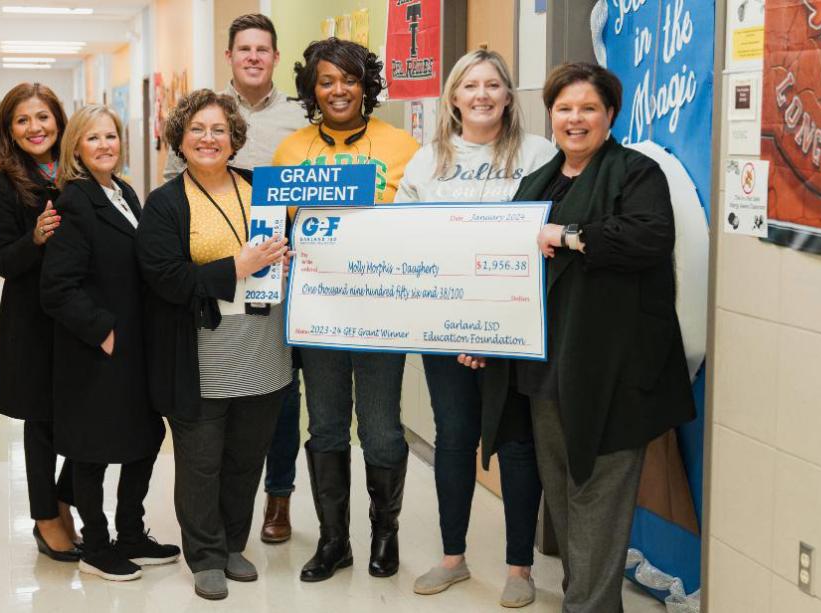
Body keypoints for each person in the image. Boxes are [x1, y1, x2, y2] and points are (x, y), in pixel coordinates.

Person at [462, 62, 696, 612]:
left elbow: (648, 236)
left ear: (610, 114)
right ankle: (586, 599)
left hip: (611, 372)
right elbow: (511, 268)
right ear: (550, 115)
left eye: (589, 108)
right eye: (564, 108)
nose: (575, 118)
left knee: (597, 494)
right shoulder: (539, 181)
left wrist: (568, 235)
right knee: (566, 494)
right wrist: (483, 332)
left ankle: (588, 606)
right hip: (545, 369)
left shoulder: (636, 173)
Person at [395, 49, 555, 608]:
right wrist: (458, 325)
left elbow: (549, 239)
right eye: (470, 85)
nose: (481, 95)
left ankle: (519, 568)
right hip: (445, 330)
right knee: (455, 438)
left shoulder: (538, 155)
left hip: (515, 330)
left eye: (492, 85)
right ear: (454, 97)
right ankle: (452, 558)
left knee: (517, 442)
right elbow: (405, 241)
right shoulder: (427, 161)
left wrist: (493, 327)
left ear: (509, 96)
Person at [272, 37, 420, 582]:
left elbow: (422, 228)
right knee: (327, 426)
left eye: (350, 79)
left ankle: (385, 535)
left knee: (380, 429)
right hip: (319, 313)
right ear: (312, 90)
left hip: (382, 314)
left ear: (367, 85)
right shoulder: (291, 152)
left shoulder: (403, 146)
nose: (339, 90)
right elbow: (276, 229)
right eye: (327, 81)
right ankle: (334, 541)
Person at [137, 89, 291, 601]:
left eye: (219, 129)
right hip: (200, 357)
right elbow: (165, 278)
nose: (209, 138)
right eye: (197, 129)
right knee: (201, 462)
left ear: (234, 137)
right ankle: (204, 555)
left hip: (263, 351)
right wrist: (236, 268)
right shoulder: (164, 204)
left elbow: (287, 245)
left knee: (246, 459)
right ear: (180, 139)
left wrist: (290, 256)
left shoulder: (261, 189)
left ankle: (231, 545)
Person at [164, 12, 308, 546]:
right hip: (214, 287)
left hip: (281, 277)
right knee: (217, 416)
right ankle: (211, 536)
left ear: (275, 57)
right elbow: (175, 198)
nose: (253, 56)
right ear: (229, 56)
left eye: (262, 49)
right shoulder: (205, 111)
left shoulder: (300, 117)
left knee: (278, 395)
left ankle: (278, 497)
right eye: (243, 48)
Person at [41, 105, 180, 582]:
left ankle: (131, 533)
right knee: (93, 449)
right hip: (97, 349)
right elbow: (57, 287)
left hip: (134, 346)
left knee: (144, 438)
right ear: (76, 147)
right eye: (93, 138)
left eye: (111, 136)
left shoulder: (123, 192)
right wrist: (103, 331)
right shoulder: (74, 202)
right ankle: (96, 546)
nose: (105, 145)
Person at [0, 82, 80, 563]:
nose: (35, 128)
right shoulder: (1, 184)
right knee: (42, 422)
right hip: (33, 319)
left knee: (89, 413)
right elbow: (1, 260)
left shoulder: (79, 172)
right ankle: (45, 517)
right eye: (22, 120)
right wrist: (36, 238)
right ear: (9, 129)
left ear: (59, 120)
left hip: (80, 315)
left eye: (43, 117)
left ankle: (64, 499)